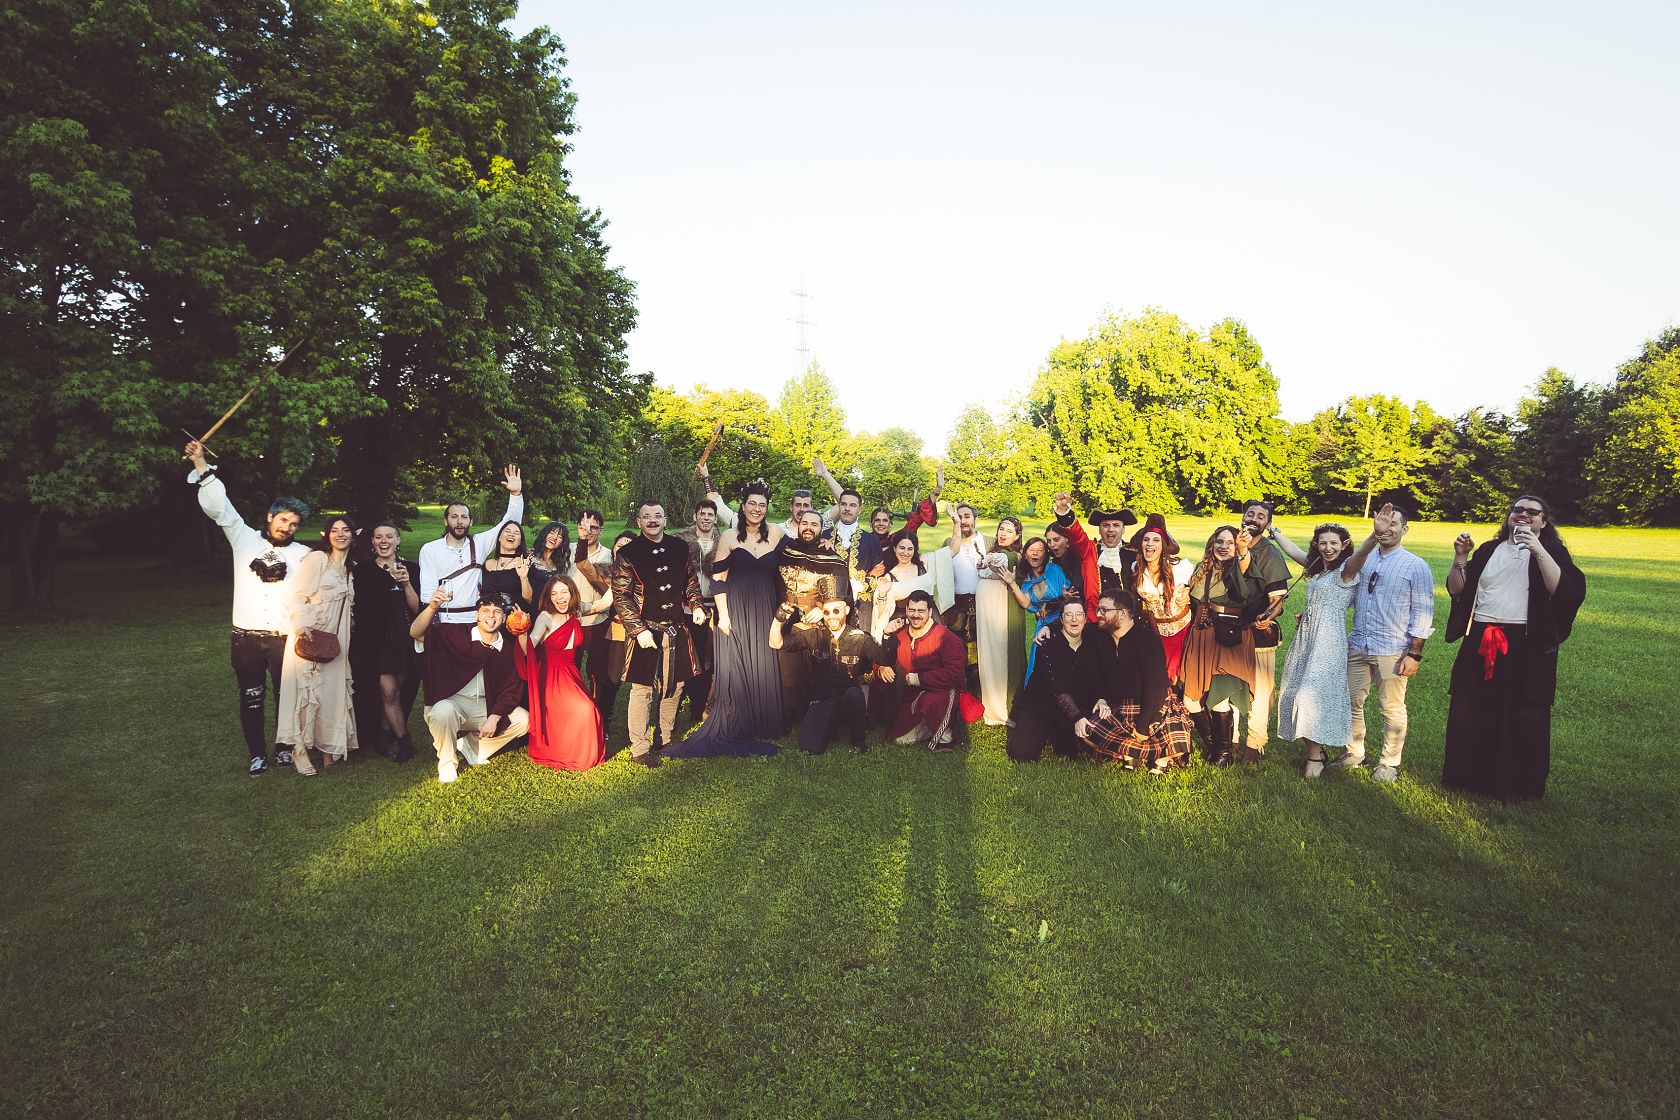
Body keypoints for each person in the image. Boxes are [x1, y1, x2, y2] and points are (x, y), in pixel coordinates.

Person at [1442, 495, 1586, 801]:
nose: (1523, 515)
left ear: (1543, 521)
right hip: (1481, 637)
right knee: (1472, 707)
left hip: (1525, 643)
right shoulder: (1490, 549)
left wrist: (1537, 548)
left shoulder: (1551, 550)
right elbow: (1457, 589)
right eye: (1518, 510)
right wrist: (1460, 557)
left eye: (1533, 512)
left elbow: (1565, 591)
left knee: (1519, 711)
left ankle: (1514, 783)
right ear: (1509, 516)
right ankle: (1466, 776)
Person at [183, 438, 313, 776]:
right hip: (246, 639)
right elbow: (220, 506)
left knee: (287, 697)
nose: (287, 527)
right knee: (251, 696)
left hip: (284, 640)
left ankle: (284, 748)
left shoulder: (303, 554)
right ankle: (257, 753)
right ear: (270, 517)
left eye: (294, 524)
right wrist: (200, 463)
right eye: (283, 520)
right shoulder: (243, 538)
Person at [666, 482, 785, 758]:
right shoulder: (730, 537)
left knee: (763, 660)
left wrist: (824, 543)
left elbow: (798, 552)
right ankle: (736, 716)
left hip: (766, 606)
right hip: (735, 607)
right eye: (752, 503)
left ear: (767, 509)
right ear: (743, 506)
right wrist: (723, 616)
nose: (757, 509)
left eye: (762, 505)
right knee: (738, 662)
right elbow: (718, 580)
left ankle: (763, 720)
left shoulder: (777, 534)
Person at [1273, 514, 1383, 777]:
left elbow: (1362, 554)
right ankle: (1316, 751)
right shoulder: (1316, 567)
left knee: (1309, 696)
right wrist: (1273, 531)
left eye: (1334, 543)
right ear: (1316, 544)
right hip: (1306, 638)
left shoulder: (1346, 570)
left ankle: (1315, 757)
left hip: (1328, 640)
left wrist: (1375, 534)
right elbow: (1293, 551)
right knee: (1293, 692)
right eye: (1323, 543)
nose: (1328, 548)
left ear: (1344, 544)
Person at [1333, 504, 1434, 782]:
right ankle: (1354, 752)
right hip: (1359, 644)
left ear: (1405, 529)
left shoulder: (1416, 566)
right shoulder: (1364, 559)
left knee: (1391, 707)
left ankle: (1389, 763)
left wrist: (1414, 654)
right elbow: (1346, 589)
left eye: (1393, 524)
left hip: (1393, 648)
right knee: (1352, 701)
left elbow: (1423, 613)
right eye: (1382, 523)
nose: (1387, 529)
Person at [612, 501, 708, 767]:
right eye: (647, 517)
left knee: (674, 686)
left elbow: (690, 581)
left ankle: (665, 738)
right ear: (639, 522)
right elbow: (621, 596)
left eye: (657, 516)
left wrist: (696, 605)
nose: (652, 520)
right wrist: (638, 629)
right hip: (646, 630)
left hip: (676, 628)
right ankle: (639, 748)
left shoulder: (679, 547)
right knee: (642, 690)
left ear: (665, 520)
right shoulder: (628, 553)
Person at [410, 591, 529, 784]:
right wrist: (432, 608)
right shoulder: (456, 635)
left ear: (504, 617)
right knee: (442, 711)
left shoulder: (506, 648)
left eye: (497, 611)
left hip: (485, 705)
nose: (491, 616)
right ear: (476, 615)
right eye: (485, 611)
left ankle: (472, 748)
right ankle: (447, 763)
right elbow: (416, 633)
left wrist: (495, 717)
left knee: (523, 720)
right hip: (453, 702)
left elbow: (511, 688)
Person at [770, 587, 897, 754]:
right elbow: (776, 643)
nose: (832, 616)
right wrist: (778, 620)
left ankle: (858, 739)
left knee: (855, 694)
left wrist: (887, 635)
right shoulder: (815, 635)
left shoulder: (860, 638)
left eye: (837, 610)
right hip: (823, 699)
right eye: (827, 612)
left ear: (846, 610)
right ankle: (830, 727)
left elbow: (886, 659)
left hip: (848, 699)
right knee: (811, 747)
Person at [277, 516, 359, 775]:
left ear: (353, 535)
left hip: (337, 637)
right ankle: (299, 750)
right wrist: (302, 626)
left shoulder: (350, 567)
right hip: (312, 634)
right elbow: (297, 596)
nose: (340, 535)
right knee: (306, 691)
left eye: (345, 530)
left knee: (331, 692)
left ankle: (327, 748)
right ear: (326, 535)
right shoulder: (317, 559)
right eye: (334, 530)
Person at [1080, 590, 1194, 772]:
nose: (1098, 614)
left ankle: (1148, 756)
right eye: (1098, 609)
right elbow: (1071, 626)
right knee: (1086, 730)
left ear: (1122, 613)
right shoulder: (1098, 633)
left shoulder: (1147, 639)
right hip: (1119, 707)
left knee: (1176, 738)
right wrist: (1047, 628)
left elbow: (1155, 688)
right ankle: (1143, 753)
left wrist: (1142, 728)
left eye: (1104, 610)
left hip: (1154, 706)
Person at [1181, 525, 1267, 766]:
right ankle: (1215, 746)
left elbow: (1248, 581)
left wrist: (1242, 550)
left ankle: (1224, 754)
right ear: (1212, 543)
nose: (1224, 546)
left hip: (1228, 638)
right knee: (1190, 699)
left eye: (1230, 543)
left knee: (1220, 696)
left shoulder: (1240, 568)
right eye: (1220, 541)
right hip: (1200, 637)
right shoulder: (1201, 568)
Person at [776, 508, 855, 730]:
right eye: (805, 523)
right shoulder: (785, 551)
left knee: (819, 674)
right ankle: (792, 713)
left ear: (822, 529)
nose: (808, 528)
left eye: (814, 524)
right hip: (787, 621)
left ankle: (820, 715)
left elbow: (843, 596)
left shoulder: (832, 559)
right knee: (789, 674)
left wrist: (823, 610)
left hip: (819, 624)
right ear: (798, 525)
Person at [516, 574, 606, 772]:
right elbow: (528, 648)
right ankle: (573, 754)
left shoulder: (577, 611)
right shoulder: (546, 617)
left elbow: (603, 603)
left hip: (570, 674)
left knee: (590, 710)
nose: (560, 597)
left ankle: (578, 751)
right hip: (551, 677)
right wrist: (521, 631)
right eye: (554, 593)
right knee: (585, 709)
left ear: (572, 593)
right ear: (549, 597)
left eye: (564, 592)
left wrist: (618, 579)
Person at [349, 521, 422, 762]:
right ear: (372, 542)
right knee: (389, 692)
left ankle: (382, 735)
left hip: (403, 640)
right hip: (376, 642)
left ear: (398, 540)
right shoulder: (363, 571)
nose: (384, 541)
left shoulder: (411, 569)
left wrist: (406, 584)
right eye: (378, 536)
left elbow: (417, 608)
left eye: (389, 536)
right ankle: (404, 742)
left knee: (396, 692)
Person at [417, 466, 524, 628]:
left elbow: (509, 524)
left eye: (464, 517)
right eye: (454, 517)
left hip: (475, 622)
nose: (459, 522)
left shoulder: (479, 543)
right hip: (444, 621)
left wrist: (515, 494)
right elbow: (427, 594)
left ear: (471, 521)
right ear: (446, 521)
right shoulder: (430, 549)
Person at [876, 590, 982, 751]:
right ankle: (925, 723)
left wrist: (919, 679)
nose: (916, 615)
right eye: (912, 610)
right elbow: (883, 658)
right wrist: (882, 665)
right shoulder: (900, 634)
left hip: (942, 691)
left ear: (930, 612)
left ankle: (944, 733)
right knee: (898, 739)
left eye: (921, 611)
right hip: (912, 694)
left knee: (932, 700)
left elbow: (955, 674)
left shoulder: (946, 638)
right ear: (906, 610)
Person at [1005, 601, 1103, 762]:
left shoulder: (1091, 643)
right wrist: (1077, 717)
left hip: (1070, 707)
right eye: (1068, 615)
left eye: (1079, 614)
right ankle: (1046, 730)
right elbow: (1057, 686)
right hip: (1040, 706)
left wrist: (1100, 698)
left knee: (1069, 752)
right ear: (1061, 620)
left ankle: (1057, 733)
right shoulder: (1047, 644)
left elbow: (1097, 679)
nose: (1074, 619)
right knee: (1022, 754)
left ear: (1085, 619)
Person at [1233, 501, 1293, 757]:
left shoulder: (1270, 554)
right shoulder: (1229, 542)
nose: (1254, 519)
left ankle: (1255, 743)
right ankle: (1230, 739)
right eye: (1250, 514)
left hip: (1258, 631)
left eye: (1261, 516)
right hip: (1229, 628)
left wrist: (1267, 617)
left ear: (1268, 524)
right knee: (1230, 685)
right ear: (1243, 517)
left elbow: (1277, 600)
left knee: (1260, 689)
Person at [1125, 514, 1196, 683]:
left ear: (1163, 545)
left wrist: (1187, 594)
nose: (1150, 543)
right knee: (1158, 677)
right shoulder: (1136, 568)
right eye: (1146, 539)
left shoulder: (1180, 567)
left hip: (1182, 631)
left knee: (1181, 677)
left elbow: (1199, 590)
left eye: (1156, 540)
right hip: (1156, 632)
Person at [675, 497, 725, 722]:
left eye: (710, 515)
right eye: (702, 514)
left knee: (708, 660)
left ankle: (700, 706)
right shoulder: (681, 541)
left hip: (714, 607)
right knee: (687, 656)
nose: (706, 518)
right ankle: (676, 703)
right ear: (695, 516)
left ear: (715, 518)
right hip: (688, 607)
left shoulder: (723, 541)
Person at [974, 516, 1025, 725]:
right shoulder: (993, 550)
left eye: (1009, 531)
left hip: (1001, 608)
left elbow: (1001, 561)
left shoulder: (1013, 556)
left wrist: (987, 559)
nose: (1003, 533)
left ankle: (1005, 710)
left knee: (1001, 654)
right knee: (987, 654)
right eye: (1001, 529)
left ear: (1017, 536)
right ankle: (990, 707)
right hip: (984, 611)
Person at [932, 502, 988, 695]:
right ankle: (956, 694)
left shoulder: (988, 542)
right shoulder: (949, 543)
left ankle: (979, 695)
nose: (963, 521)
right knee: (956, 653)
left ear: (975, 519)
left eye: (967, 516)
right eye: (959, 517)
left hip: (983, 608)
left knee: (981, 655)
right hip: (956, 611)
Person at [568, 511, 618, 721]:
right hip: (569, 620)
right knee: (570, 668)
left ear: (601, 530)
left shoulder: (608, 556)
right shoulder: (568, 550)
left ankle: (599, 714)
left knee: (598, 671)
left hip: (596, 619)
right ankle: (572, 711)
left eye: (593, 527)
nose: (588, 531)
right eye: (583, 526)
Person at [1000, 536, 1070, 682]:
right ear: (1025, 554)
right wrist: (1012, 583)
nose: (1035, 553)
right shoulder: (1027, 579)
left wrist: (1050, 604)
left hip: (1063, 622)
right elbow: (1026, 603)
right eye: (1031, 550)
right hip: (1043, 625)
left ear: (1045, 554)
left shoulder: (1055, 570)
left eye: (1040, 550)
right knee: (1040, 666)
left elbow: (1068, 595)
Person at [871, 531, 937, 640]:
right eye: (902, 548)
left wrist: (957, 524)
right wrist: (882, 593)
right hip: (903, 626)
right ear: (894, 548)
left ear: (915, 550)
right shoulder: (889, 577)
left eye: (910, 549)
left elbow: (951, 552)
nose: (905, 553)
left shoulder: (924, 564)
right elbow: (880, 614)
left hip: (928, 621)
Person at [480, 520, 533, 613]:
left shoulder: (524, 563)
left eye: (516, 533)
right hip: (491, 618)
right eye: (507, 531)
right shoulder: (488, 564)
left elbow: (530, 599)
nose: (511, 534)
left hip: (515, 619)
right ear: (499, 537)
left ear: (520, 541)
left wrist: (523, 578)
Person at [528, 521, 571, 612]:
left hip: (553, 610)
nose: (554, 537)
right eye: (552, 533)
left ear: (562, 543)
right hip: (532, 609)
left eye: (559, 537)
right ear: (545, 534)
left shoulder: (559, 564)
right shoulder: (529, 558)